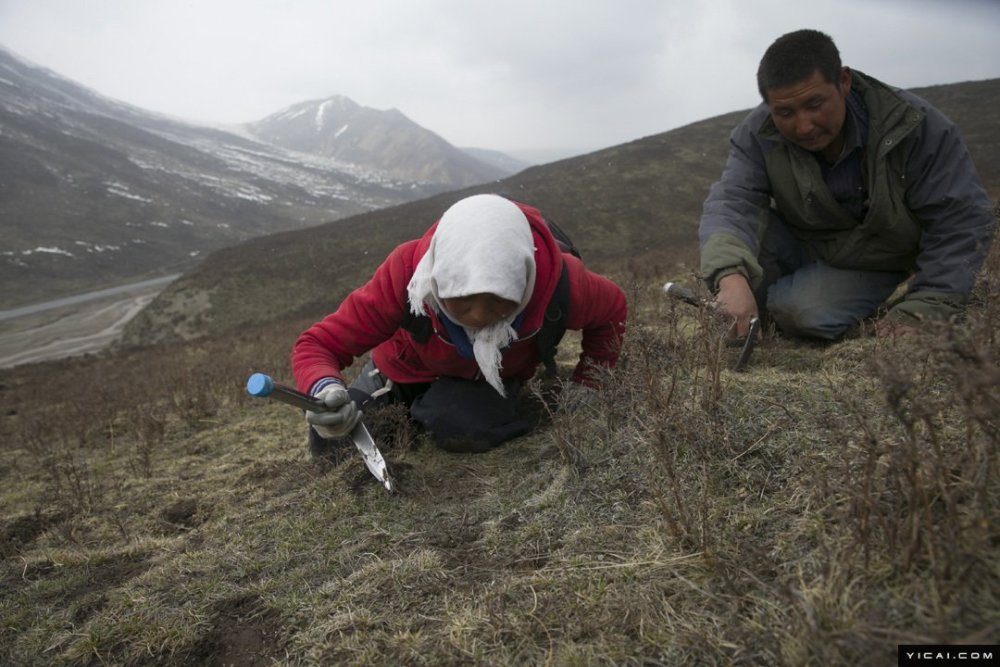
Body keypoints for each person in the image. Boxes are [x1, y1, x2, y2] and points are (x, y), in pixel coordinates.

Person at [698, 29, 996, 341]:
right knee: (734, 247)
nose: (804, 126)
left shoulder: (915, 125)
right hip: (806, 244)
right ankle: (759, 307)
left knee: (798, 311)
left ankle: (794, 304)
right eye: (784, 112)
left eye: (815, 104)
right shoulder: (756, 133)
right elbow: (732, 201)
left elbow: (961, 218)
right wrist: (730, 277)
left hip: (880, 258)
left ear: (844, 81)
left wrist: (929, 304)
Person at [291, 193, 627, 457]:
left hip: (492, 380)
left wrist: (591, 381)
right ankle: (416, 410)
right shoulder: (408, 274)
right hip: (401, 371)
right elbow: (318, 345)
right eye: (461, 301)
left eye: (501, 302)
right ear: (436, 280)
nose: (479, 317)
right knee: (334, 446)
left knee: (461, 426)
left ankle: (433, 414)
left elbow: (612, 310)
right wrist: (324, 390)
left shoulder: (558, 281)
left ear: (525, 282)